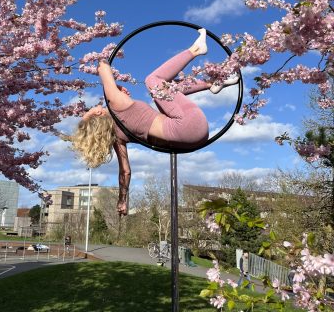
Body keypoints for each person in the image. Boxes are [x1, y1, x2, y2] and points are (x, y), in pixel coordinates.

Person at [68, 29, 239, 216]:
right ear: (97, 114)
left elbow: (125, 172)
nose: (94, 107)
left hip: (192, 140)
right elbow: (103, 66)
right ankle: (196, 49)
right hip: (189, 124)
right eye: (91, 110)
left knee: (165, 89)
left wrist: (122, 200)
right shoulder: (115, 104)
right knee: (152, 80)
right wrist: (112, 87)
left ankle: (210, 84)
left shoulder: (117, 137)